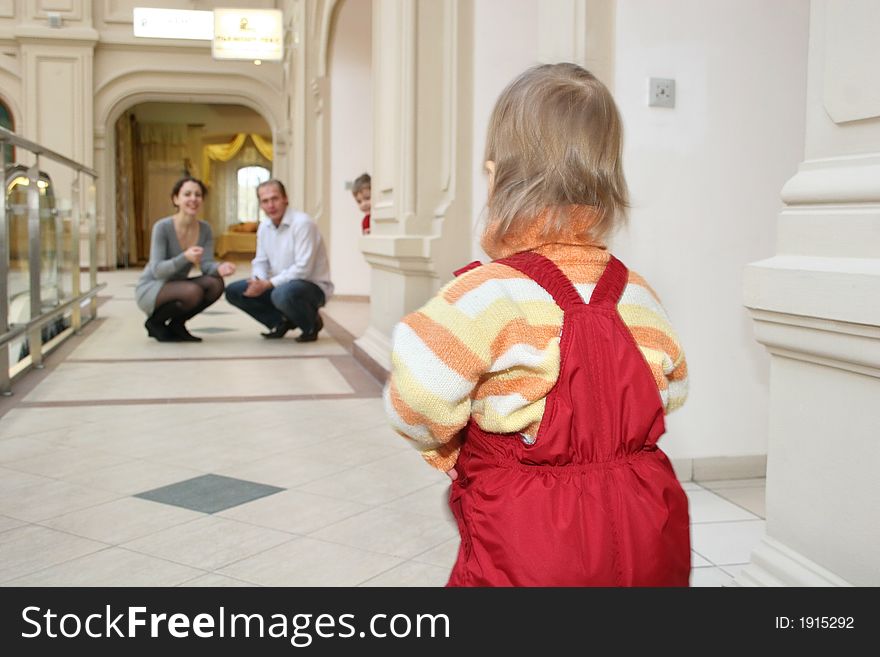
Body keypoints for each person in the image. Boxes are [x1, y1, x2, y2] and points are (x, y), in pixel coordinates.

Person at [383, 63, 690, 586]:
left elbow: (419, 401)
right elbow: (672, 391)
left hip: (529, 539)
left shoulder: (484, 296)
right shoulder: (638, 293)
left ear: (495, 176)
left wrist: (449, 450)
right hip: (645, 524)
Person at [225, 179, 333, 342]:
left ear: (285, 199)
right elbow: (260, 261)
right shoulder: (264, 227)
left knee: (281, 294)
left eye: (274, 198)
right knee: (234, 291)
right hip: (279, 285)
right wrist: (258, 281)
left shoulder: (303, 223)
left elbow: (304, 269)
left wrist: (268, 284)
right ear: (260, 205)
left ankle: (311, 323)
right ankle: (280, 321)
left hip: (311, 286)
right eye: (265, 201)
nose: (270, 205)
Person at [135, 176, 236, 342]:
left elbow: (206, 265)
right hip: (152, 287)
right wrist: (184, 257)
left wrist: (219, 268)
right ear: (176, 199)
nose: (193, 199)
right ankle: (155, 323)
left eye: (197, 195)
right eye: (187, 194)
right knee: (193, 291)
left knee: (215, 283)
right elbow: (157, 271)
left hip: (178, 286)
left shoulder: (205, 229)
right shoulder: (162, 227)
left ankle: (177, 324)